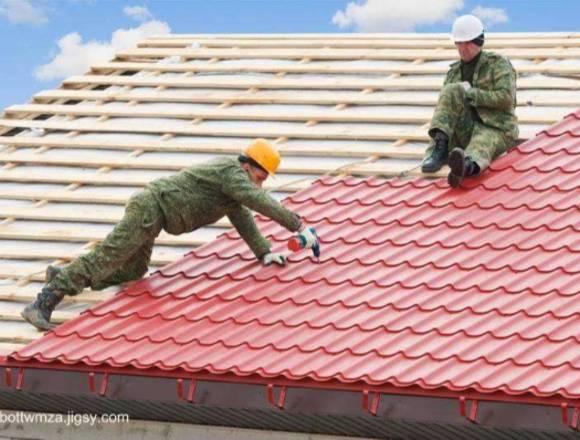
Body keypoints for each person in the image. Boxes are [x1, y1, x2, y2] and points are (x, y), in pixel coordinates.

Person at [21, 138, 319, 331]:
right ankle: (43, 303)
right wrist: (299, 226)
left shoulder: (233, 189)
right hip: (150, 208)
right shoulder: (232, 173)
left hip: (158, 214)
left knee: (135, 270)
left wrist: (264, 252)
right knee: (107, 258)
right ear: (248, 165)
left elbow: (243, 217)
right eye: (260, 176)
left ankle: (63, 275)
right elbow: (258, 203)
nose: (261, 185)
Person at [421, 14, 519, 188]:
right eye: (459, 43)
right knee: (451, 90)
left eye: (467, 43)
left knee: (483, 142)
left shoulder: (497, 64)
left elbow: (506, 99)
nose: (463, 48)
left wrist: (472, 94)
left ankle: (466, 167)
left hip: (496, 127)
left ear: (479, 41)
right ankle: (441, 148)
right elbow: (446, 111)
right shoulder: (453, 72)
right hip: (466, 128)